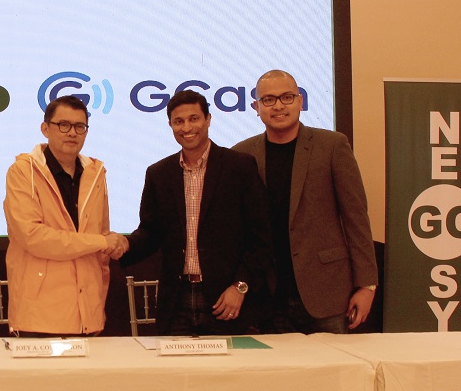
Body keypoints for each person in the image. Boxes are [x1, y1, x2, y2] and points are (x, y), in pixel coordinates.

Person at [232, 69, 378, 334]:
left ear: (300, 101)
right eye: (268, 100)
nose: (278, 106)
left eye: (286, 97)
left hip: (327, 293)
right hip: (267, 297)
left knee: (334, 362)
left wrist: (367, 285)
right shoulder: (242, 154)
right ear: (256, 107)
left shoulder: (332, 145)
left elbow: (356, 218)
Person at [120, 90, 274, 336]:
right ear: (170, 125)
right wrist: (120, 244)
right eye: (178, 121)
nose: (186, 127)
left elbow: (261, 236)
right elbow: (150, 233)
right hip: (176, 302)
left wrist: (240, 286)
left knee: (234, 363)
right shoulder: (158, 174)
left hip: (227, 301)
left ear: (208, 119)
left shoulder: (239, 166)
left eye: (194, 119)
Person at [3, 95, 127, 337]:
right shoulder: (23, 172)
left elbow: (101, 236)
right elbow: (33, 237)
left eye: (80, 126)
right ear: (45, 128)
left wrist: (113, 242)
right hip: (39, 318)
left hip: (89, 314)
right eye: (64, 125)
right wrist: (102, 241)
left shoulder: (95, 173)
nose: (72, 133)